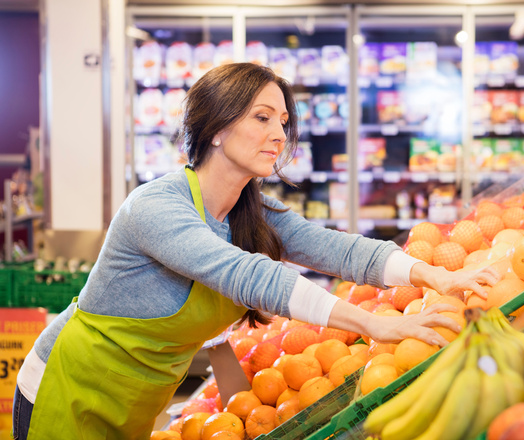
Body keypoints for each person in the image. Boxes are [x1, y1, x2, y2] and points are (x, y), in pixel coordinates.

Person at [12, 62, 499, 440]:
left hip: (137, 399)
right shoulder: (155, 208)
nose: (279, 135)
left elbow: (335, 248)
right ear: (217, 128)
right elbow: (250, 276)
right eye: (261, 118)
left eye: (283, 121)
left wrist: (435, 276)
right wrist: (374, 324)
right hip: (71, 387)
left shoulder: (249, 211)